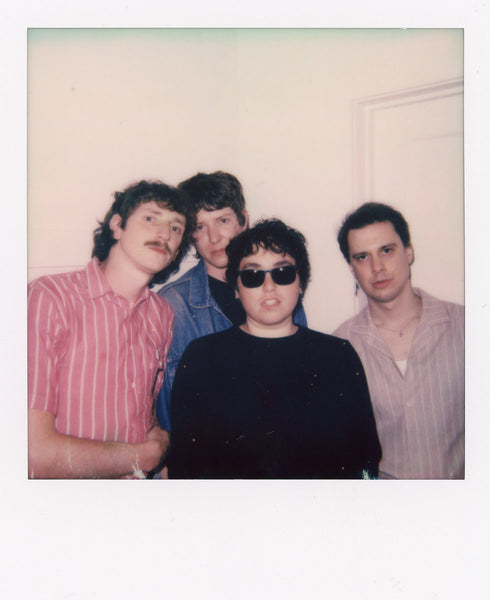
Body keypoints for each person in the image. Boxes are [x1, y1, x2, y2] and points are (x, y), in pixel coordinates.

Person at [167, 219, 381, 479]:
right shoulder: (202, 358)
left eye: (282, 273)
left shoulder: (337, 356)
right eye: (253, 276)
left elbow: (364, 458)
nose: (269, 287)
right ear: (236, 289)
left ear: (300, 283)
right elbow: (185, 467)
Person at [28, 180, 194, 478]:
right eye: (150, 218)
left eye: (175, 227)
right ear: (117, 225)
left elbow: (144, 407)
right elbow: (33, 456)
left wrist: (158, 451)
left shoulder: (161, 313)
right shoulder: (50, 298)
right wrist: (142, 457)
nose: (164, 234)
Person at [156, 172, 307, 431]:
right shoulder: (172, 305)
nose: (213, 237)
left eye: (222, 220)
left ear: (243, 220)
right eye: (200, 227)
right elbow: (165, 408)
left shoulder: (281, 291)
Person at [334, 202, 464, 479]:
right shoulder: (340, 346)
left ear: (409, 252)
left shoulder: (466, 327)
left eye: (386, 250)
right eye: (362, 257)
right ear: (352, 268)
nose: (377, 267)